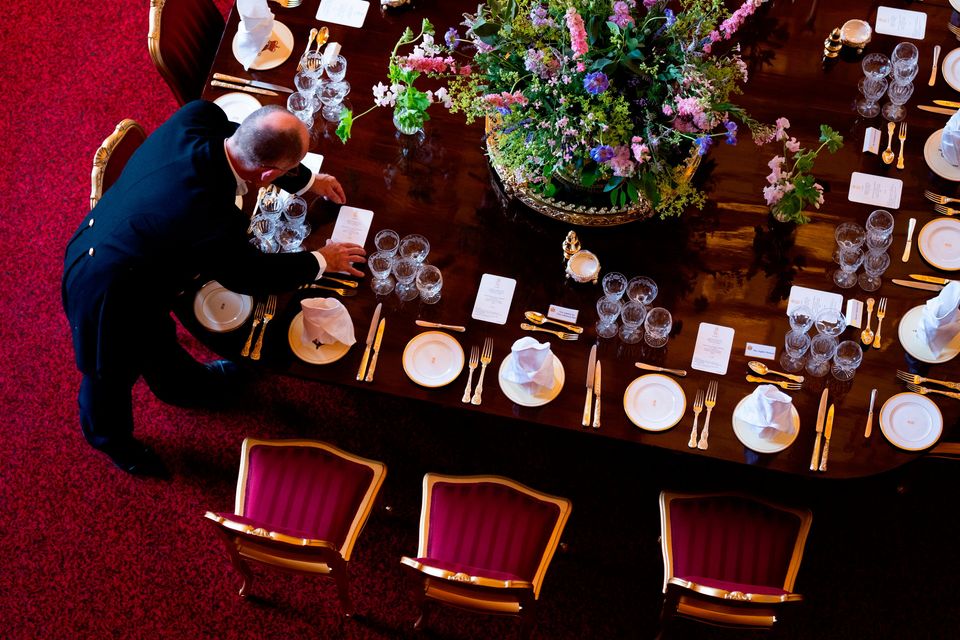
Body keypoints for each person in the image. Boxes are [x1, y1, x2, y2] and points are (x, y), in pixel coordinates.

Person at [62, 100, 366, 476]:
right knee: (107, 376)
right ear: (268, 174)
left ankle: (181, 387)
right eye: (287, 170)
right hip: (105, 288)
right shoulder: (211, 218)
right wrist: (323, 260)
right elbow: (251, 275)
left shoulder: (200, 115)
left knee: (155, 337)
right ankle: (114, 443)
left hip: (139, 255)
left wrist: (306, 181)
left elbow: (253, 141)